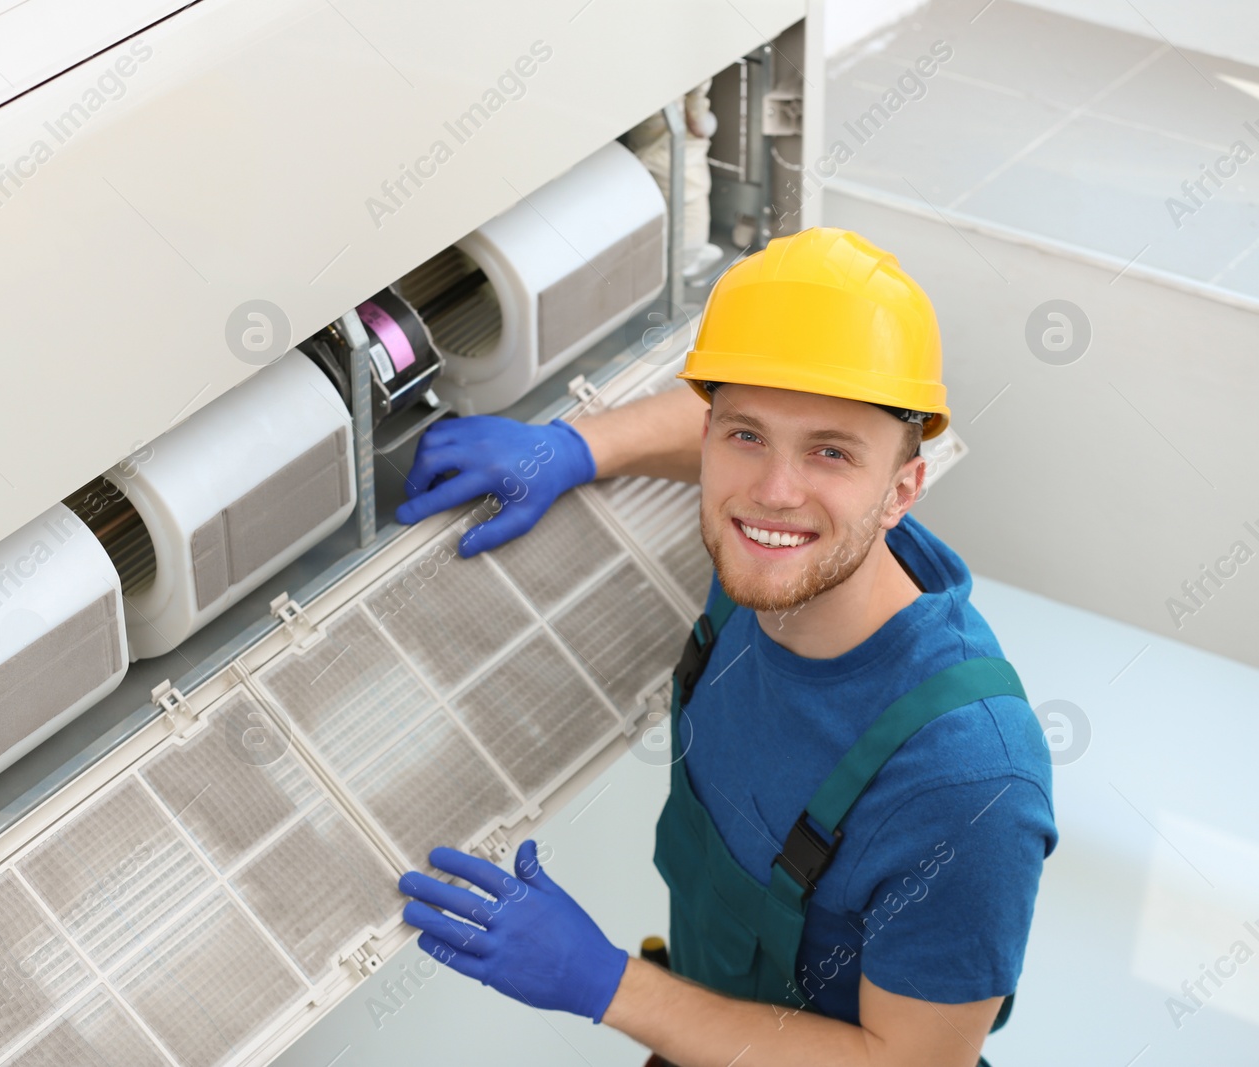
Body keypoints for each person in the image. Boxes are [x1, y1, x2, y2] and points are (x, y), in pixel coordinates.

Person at [393, 228, 1057, 1067]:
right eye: (745, 438)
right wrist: (577, 446)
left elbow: (910, 1064)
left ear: (903, 490)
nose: (773, 496)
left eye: (830, 452)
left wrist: (608, 983)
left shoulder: (965, 783)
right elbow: (731, 417)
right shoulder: (773, 558)